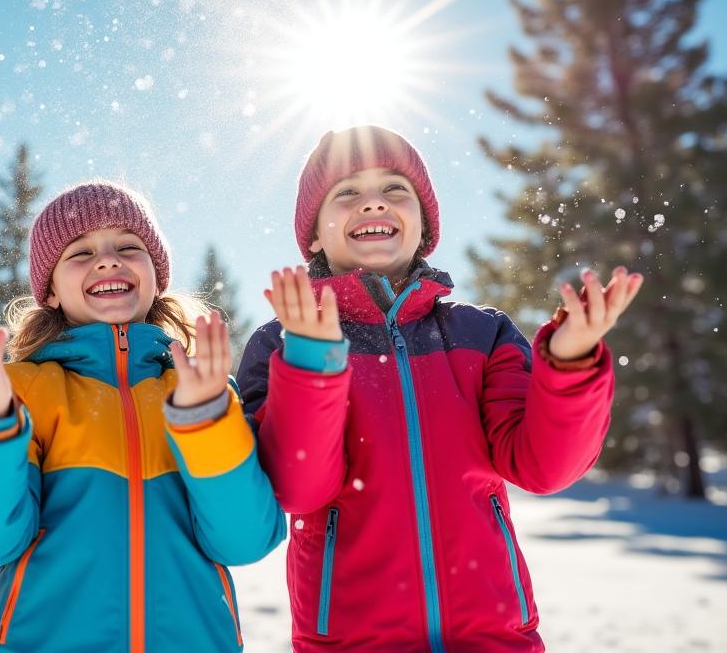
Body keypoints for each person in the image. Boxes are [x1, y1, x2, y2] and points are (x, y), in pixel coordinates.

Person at [240, 125, 643, 652]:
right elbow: (299, 489)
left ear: (424, 225)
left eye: (394, 189)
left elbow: (544, 466)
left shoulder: (480, 332)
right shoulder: (280, 342)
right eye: (347, 193)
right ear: (314, 234)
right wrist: (313, 364)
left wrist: (570, 361)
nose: (372, 204)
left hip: (494, 637)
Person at [0, 180, 286, 652]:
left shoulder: (198, 391)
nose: (108, 260)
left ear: (156, 275)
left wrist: (206, 420)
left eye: (129, 246)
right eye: (79, 253)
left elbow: (243, 540)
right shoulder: (22, 392)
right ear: (51, 292)